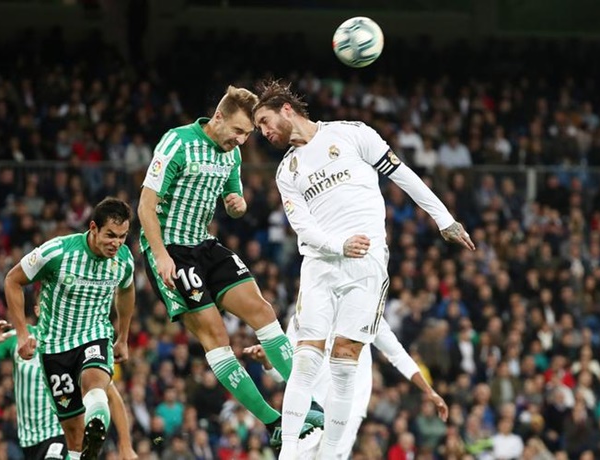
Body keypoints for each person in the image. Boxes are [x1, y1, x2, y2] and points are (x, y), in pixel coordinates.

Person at [252, 80, 475, 459]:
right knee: (307, 359)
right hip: (321, 264)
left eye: (264, 121)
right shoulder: (286, 170)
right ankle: (289, 454)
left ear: (286, 108)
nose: (263, 131)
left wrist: (444, 219)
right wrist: (338, 244)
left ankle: (332, 454)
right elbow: (302, 228)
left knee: (343, 362)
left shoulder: (352, 134)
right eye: (258, 127)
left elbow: (402, 174)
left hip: (367, 264)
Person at [136, 85, 320, 445]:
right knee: (216, 337)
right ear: (217, 117)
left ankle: (306, 402)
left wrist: (237, 204)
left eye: (247, 134)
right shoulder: (177, 142)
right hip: (172, 250)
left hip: (204, 244)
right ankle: (272, 421)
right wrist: (160, 255)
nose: (240, 140)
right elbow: (146, 205)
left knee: (263, 311)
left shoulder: (231, 155)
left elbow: (234, 198)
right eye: (237, 131)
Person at [5, 197, 136, 460]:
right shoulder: (57, 252)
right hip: (54, 347)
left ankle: (97, 425)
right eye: (110, 235)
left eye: (122, 237)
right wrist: (21, 334)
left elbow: (126, 289)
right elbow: (12, 280)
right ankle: (88, 440)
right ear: (93, 227)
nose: (116, 243)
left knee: (94, 381)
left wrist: (122, 337)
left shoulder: (123, 259)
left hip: (94, 335)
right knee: (74, 437)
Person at [244, 316, 448, 459]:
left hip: (349, 406)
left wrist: (429, 391)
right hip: (310, 406)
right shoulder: (304, 312)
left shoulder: (367, 309)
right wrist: (267, 362)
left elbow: (397, 354)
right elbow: (285, 370)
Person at [0, 317, 138, 460]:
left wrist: (125, 445)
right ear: (38, 309)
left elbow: (112, 397)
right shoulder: (18, 338)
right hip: (29, 441)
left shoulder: (75, 343)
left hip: (62, 433)